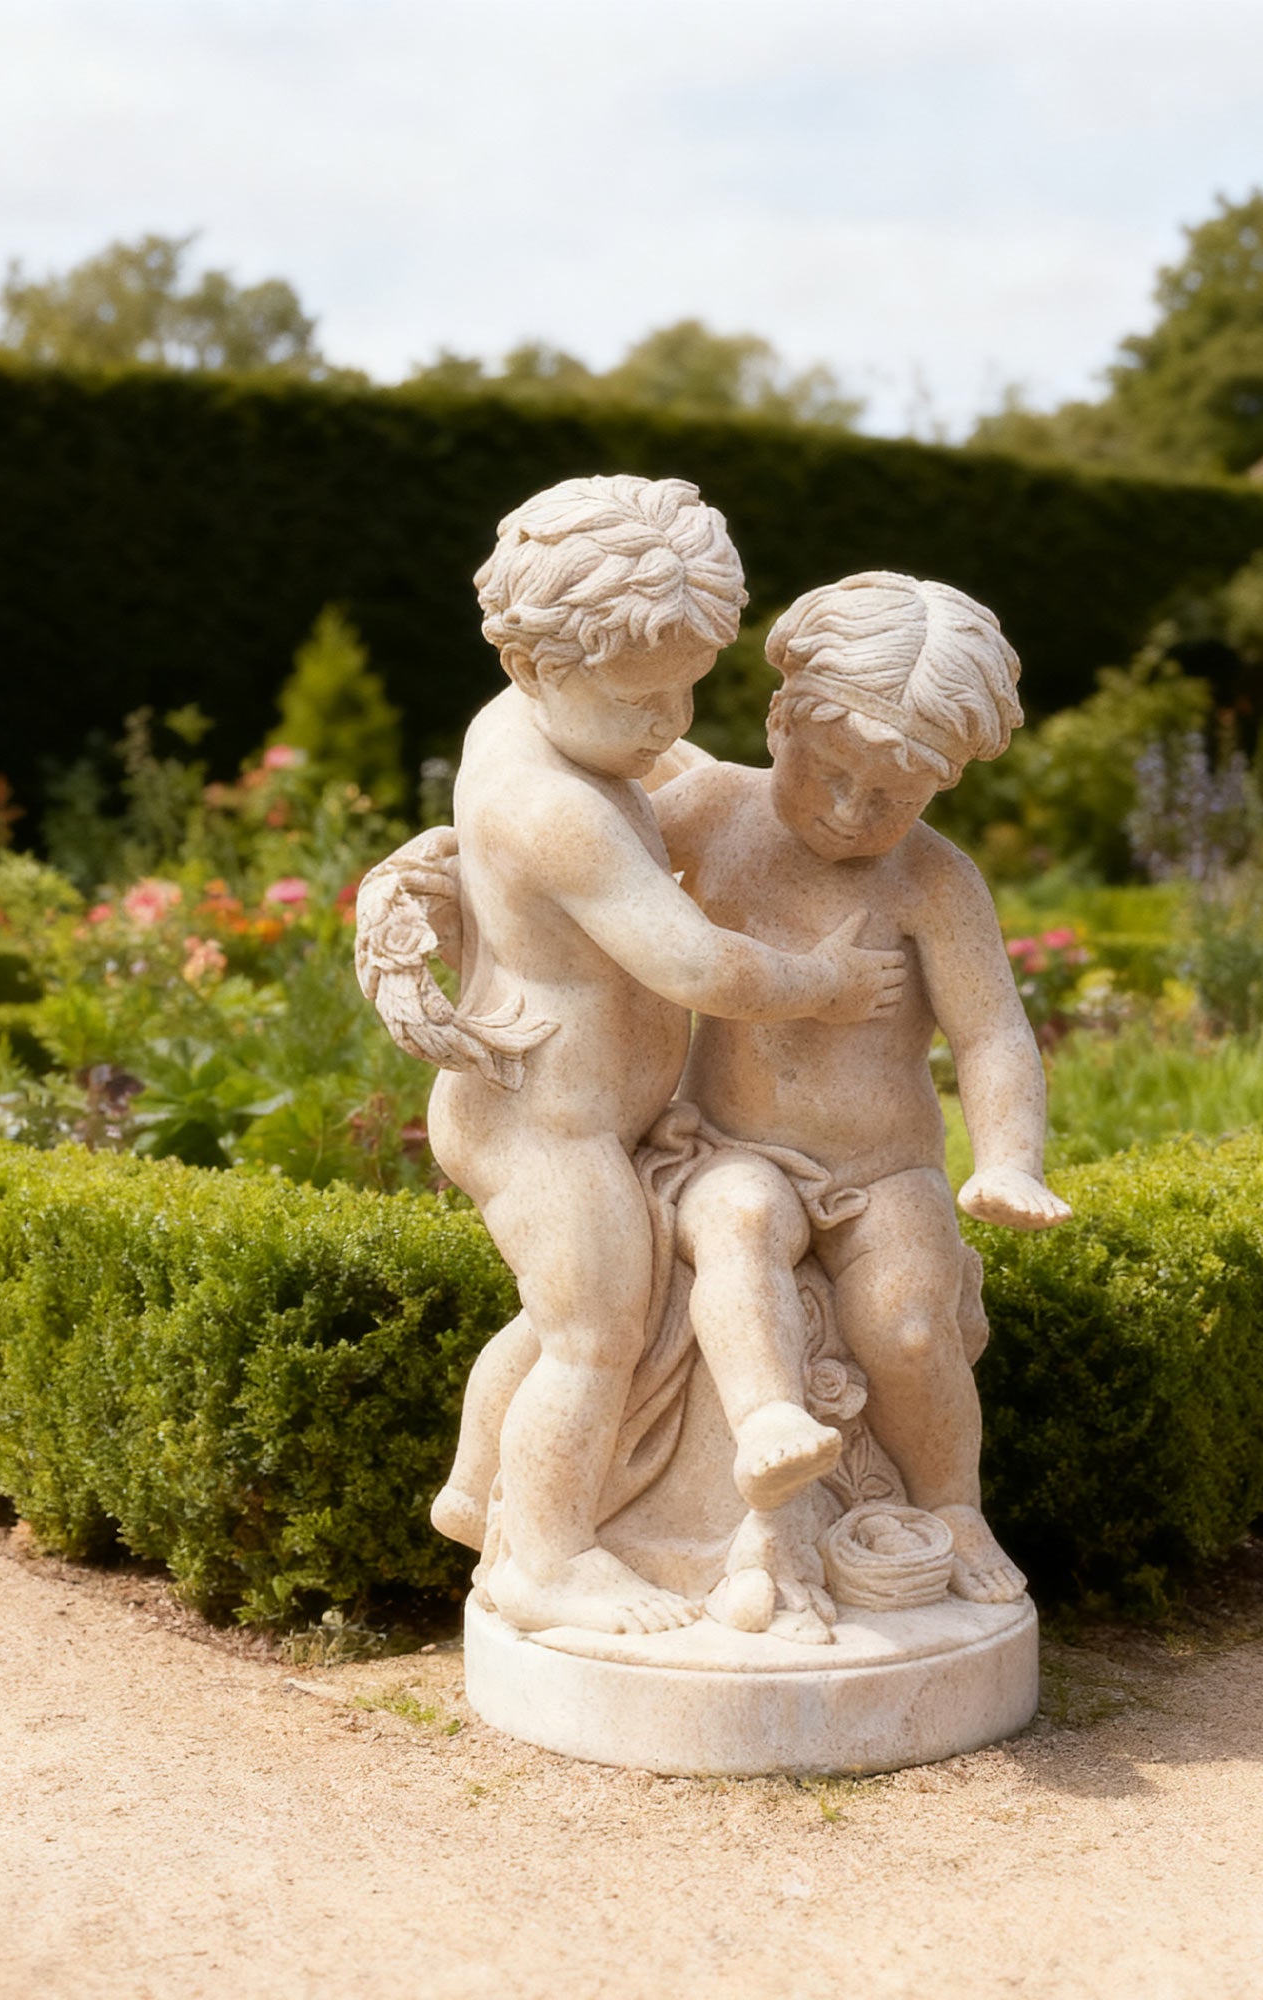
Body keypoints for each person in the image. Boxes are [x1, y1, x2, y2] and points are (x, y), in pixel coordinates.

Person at [387, 477, 905, 1638]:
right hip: (547, 1124)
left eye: (688, 683)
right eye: (640, 695)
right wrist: (819, 982)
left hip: (577, 1112)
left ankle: (477, 1492)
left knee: (556, 1310)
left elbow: (658, 771)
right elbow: (696, 965)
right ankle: (548, 1558)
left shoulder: (545, 730)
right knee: (593, 1330)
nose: (669, 717)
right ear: (532, 666)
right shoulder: (553, 803)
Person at [656, 571, 1071, 1604]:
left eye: (890, 797)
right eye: (828, 773)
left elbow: (991, 1036)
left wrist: (1008, 1157)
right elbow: (586, 874)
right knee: (738, 1222)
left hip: (884, 1169)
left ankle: (952, 1504)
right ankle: (767, 1432)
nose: (850, 812)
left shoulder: (931, 879)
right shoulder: (709, 810)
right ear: (777, 722)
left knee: (910, 1323)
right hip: (726, 1143)